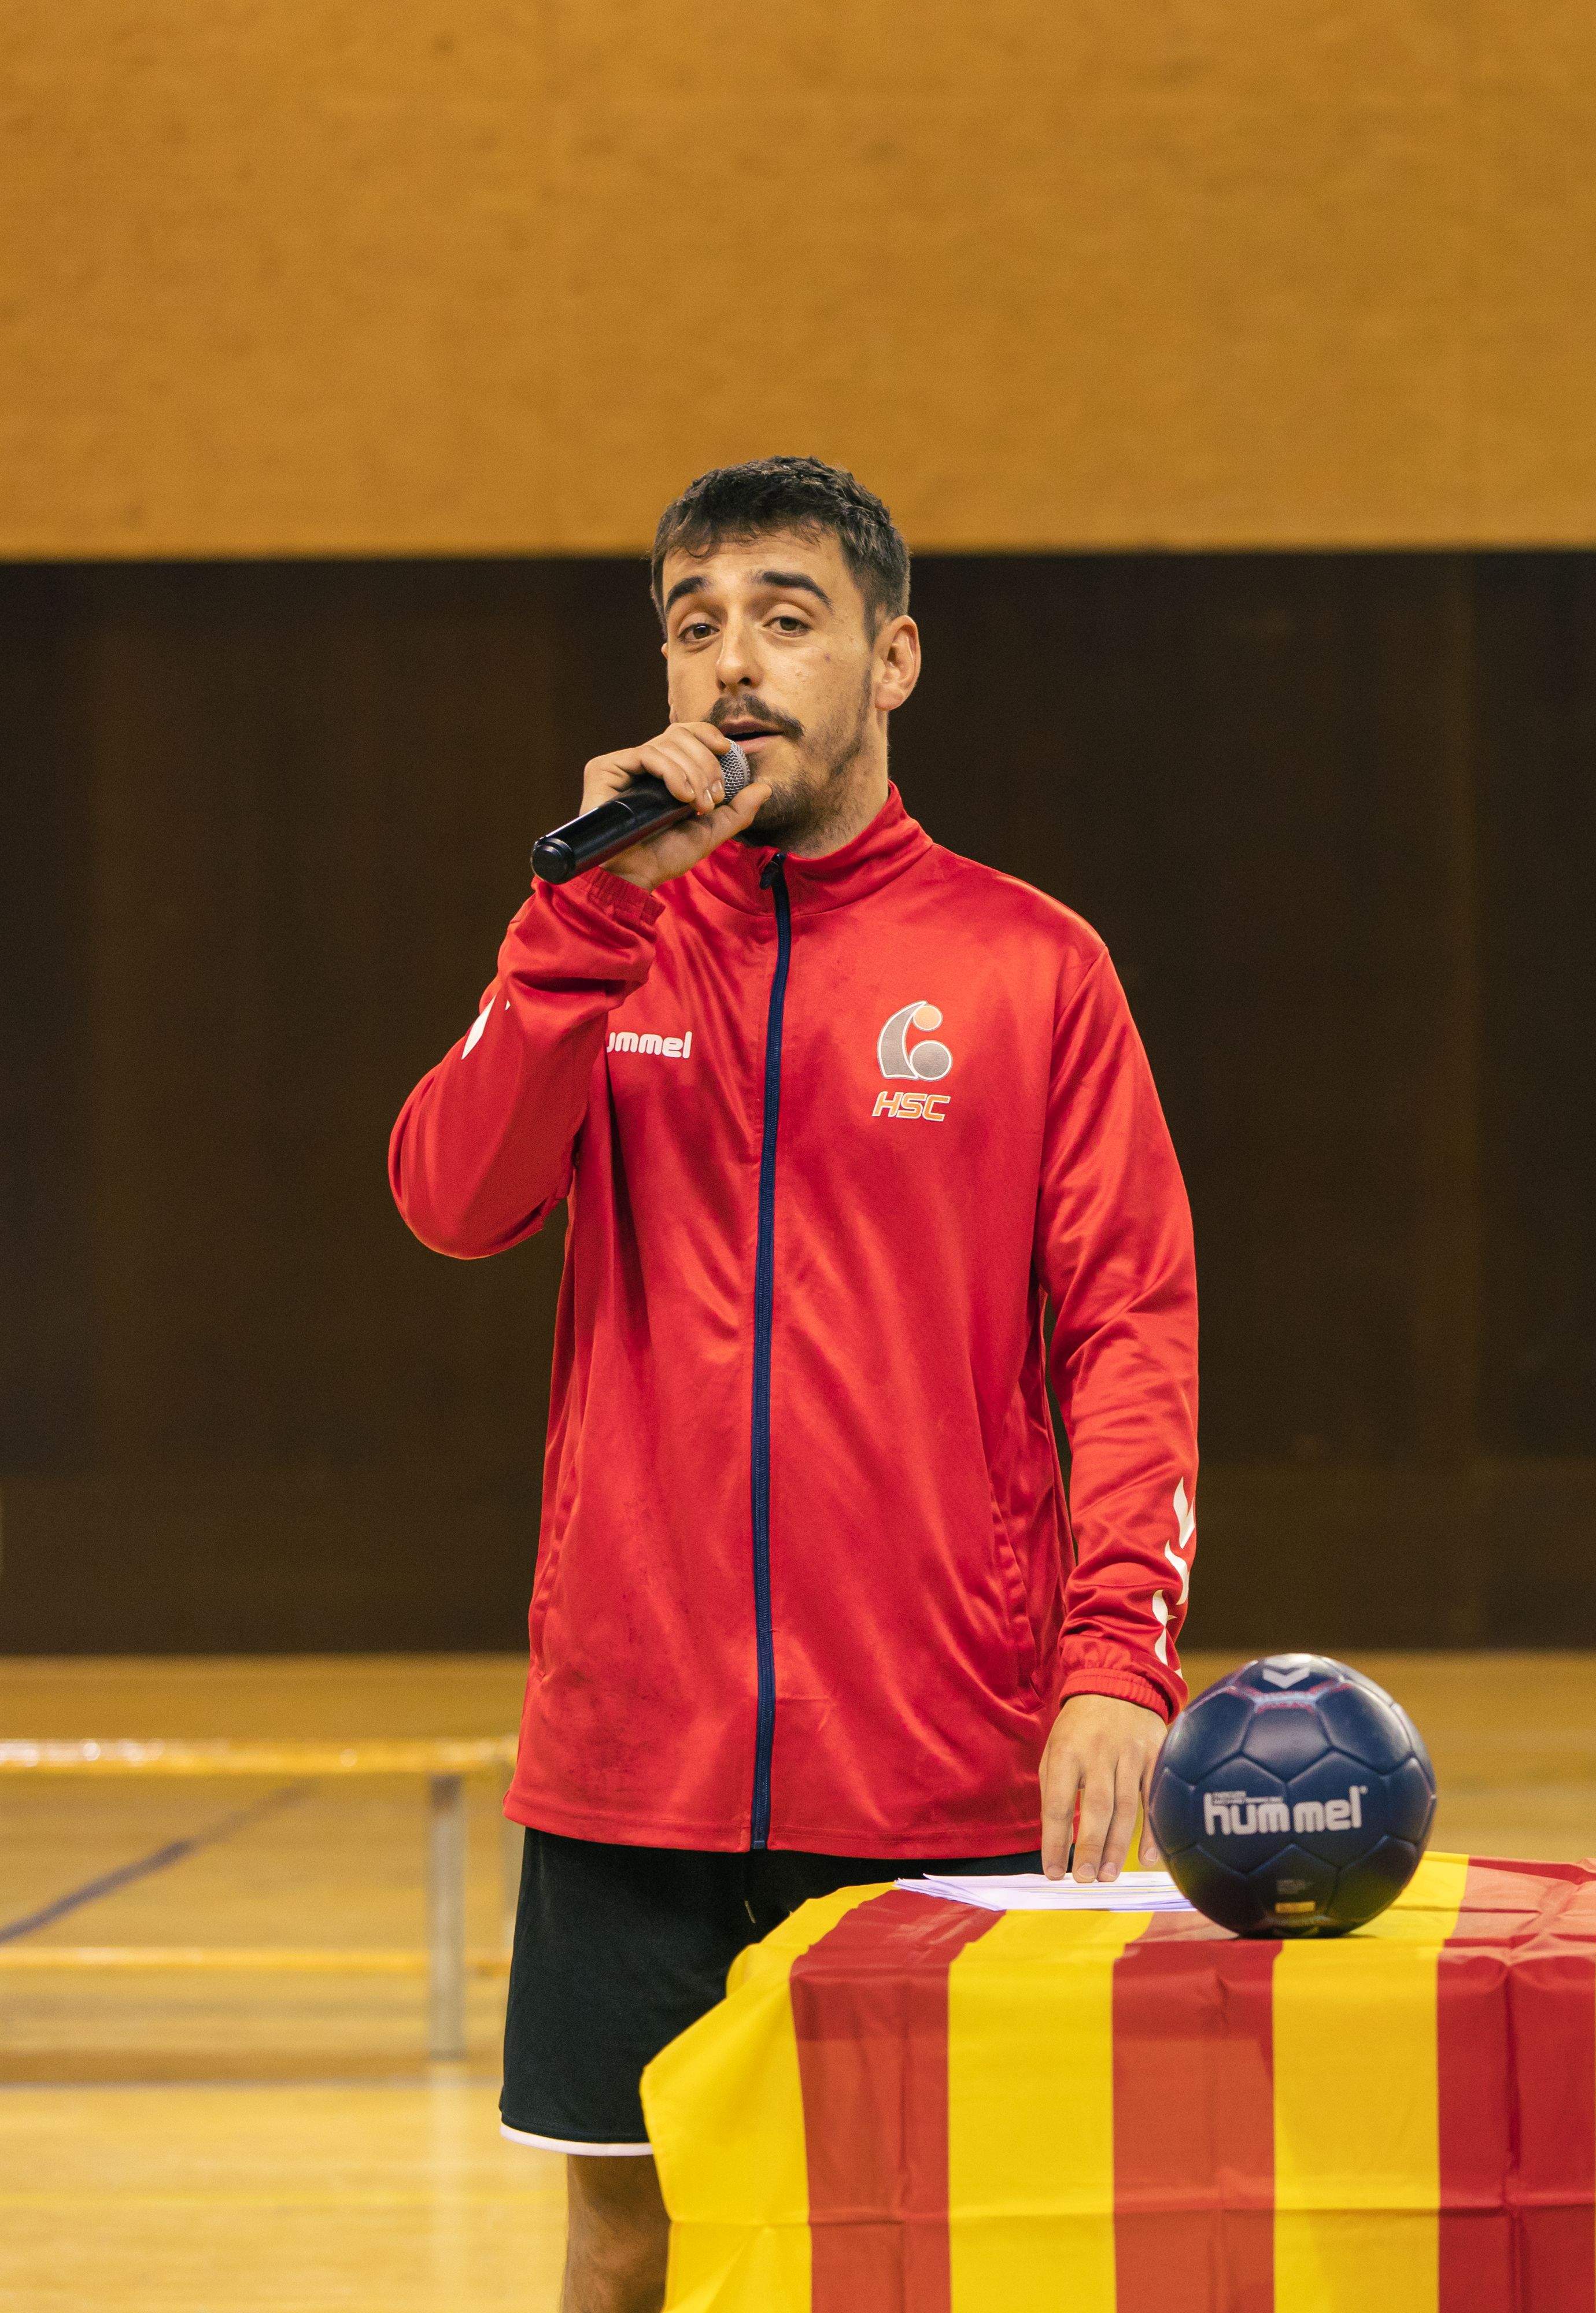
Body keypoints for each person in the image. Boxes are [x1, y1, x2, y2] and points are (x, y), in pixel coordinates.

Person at [388, 457, 1198, 2313]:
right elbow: (451, 1199)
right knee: (626, 2247)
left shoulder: (1033, 967)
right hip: (631, 1759)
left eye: (786, 618)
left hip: (932, 1760)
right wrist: (582, 923)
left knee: (928, 2256)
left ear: (892, 660)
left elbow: (1132, 1328)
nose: (734, 664)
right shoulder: (603, 941)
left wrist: (1113, 1664)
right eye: (696, 627)